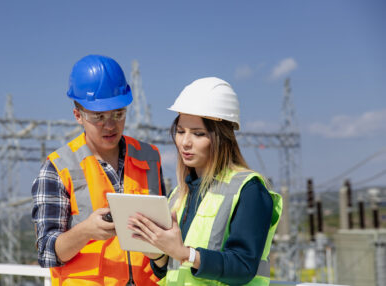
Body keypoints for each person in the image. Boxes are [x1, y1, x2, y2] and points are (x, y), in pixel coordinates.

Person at [128, 77, 282, 285]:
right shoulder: (178, 195)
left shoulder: (249, 190)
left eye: (198, 134)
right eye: (181, 131)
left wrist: (185, 254)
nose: (185, 142)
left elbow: (244, 267)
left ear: (222, 137)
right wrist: (157, 252)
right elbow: (168, 270)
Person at [31, 54, 166, 286]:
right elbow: (46, 252)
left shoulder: (150, 157)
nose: (110, 125)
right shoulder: (58, 167)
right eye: (99, 117)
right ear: (78, 116)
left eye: (118, 114)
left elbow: (164, 233)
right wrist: (85, 231)